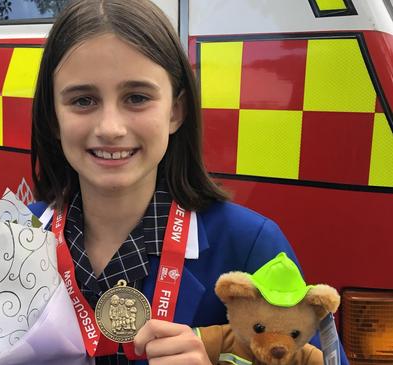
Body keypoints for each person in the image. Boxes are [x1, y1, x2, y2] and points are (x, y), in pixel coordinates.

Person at [28, 1, 347, 364]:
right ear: (53, 118)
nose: (110, 128)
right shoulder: (16, 234)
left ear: (176, 111)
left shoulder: (250, 245)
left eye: (137, 98)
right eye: (83, 100)